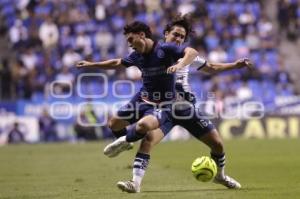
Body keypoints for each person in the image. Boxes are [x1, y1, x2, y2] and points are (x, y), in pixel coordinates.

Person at [113, 15, 253, 193]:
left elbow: (211, 67)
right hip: (165, 108)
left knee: (217, 144)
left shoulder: (185, 55)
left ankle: (220, 176)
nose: (178, 39)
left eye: (182, 36)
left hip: (186, 108)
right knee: (148, 140)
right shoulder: (155, 52)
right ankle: (135, 183)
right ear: (166, 34)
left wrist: (234, 65)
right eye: (175, 34)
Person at [77, 21, 199, 153]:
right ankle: (125, 143)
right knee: (113, 124)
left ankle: (126, 140)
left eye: (130, 39)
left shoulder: (164, 49)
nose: (129, 44)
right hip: (142, 97)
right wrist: (91, 64)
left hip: (161, 103)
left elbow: (192, 53)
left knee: (144, 125)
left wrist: (179, 66)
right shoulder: (136, 55)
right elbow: (117, 62)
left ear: (141, 35)